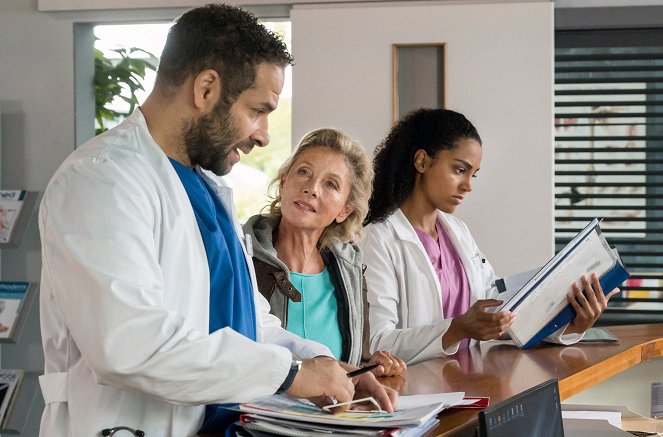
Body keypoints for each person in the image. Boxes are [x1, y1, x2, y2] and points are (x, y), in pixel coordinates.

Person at [37, 5, 395, 436]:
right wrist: (291, 375)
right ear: (206, 89)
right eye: (257, 110)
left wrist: (328, 368)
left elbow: (246, 323)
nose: (263, 134)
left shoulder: (205, 189)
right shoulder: (101, 179)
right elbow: (129, 345)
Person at [361, 108, 619, 365]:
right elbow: (379, 344)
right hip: (414, 393)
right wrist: (457, 329)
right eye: (459, 170)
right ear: (422, 162)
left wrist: (572, 321)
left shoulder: (457, 232)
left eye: (473, 174)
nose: (468, 185)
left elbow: (494, 311)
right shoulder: (378, 239)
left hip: (470, 384)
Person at [243, 128, 406, 376]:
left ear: (345, 210)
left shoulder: (349, 269)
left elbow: (349, 366)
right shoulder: (242, 253)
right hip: (259, 411)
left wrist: (370, 367)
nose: (312, 188)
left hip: (334, 414)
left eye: (331, 184)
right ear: (284, 182)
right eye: (304, 172)